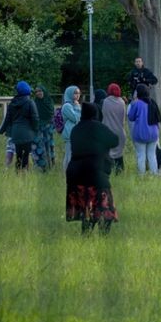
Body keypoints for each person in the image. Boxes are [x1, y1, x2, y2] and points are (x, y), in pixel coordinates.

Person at [65, 103, 120, 234]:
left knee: (85, 209)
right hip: (96, 173)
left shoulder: (76, 129)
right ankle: (103, 236)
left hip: (76, 174)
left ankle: (86, 235)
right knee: (104, 209)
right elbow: (114, 141)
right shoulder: (98, 127)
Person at [0, 81, 39, 170]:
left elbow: (7, 119)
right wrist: (35, 129)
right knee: (26, 154)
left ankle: (18, 174)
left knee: (18, 154)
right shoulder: (30, 102)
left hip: (16, 133)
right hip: (28, 133)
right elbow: (35, 118)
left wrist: (2, 130)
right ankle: (24, 175)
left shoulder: (12, 103)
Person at [127, 83, 161, 176]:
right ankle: (154, 174)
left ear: (138, 93)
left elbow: (130, 117)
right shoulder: (153, 103)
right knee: (152, 155)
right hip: (154, 133)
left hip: (140, 134)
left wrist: (133, 102)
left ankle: (141, 176)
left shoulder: (137, 104)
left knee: (141, 155)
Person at [101, 84, 127, 174]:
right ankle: (119, 172)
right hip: (120, 132)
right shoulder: (122, 102)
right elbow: (123, 120)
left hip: (107, 132)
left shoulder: (105, 101)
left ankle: (107, 171)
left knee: (108, 154)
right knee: (119, 155)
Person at [32, 85, 56, 170]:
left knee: (49, 147)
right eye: (36, 92)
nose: (38, 93)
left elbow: (51, 114)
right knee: (39, 147)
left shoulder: (49, 101)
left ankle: (50, 166)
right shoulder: (35, 103)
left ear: (44, 91)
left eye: (40, 91)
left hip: (48, 127)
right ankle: (41, 168)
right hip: (38, 128)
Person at [60, 86, 82, 170]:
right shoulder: (67, 106)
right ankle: (69, 173)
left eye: (79, 93)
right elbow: (76, 118)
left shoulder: (74, 105)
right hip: (70, 134)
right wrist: (78, 107)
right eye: (75, 93)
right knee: (70, 155)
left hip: (75, 134)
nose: (78, 95)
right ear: (70, 94)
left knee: (72, 155)